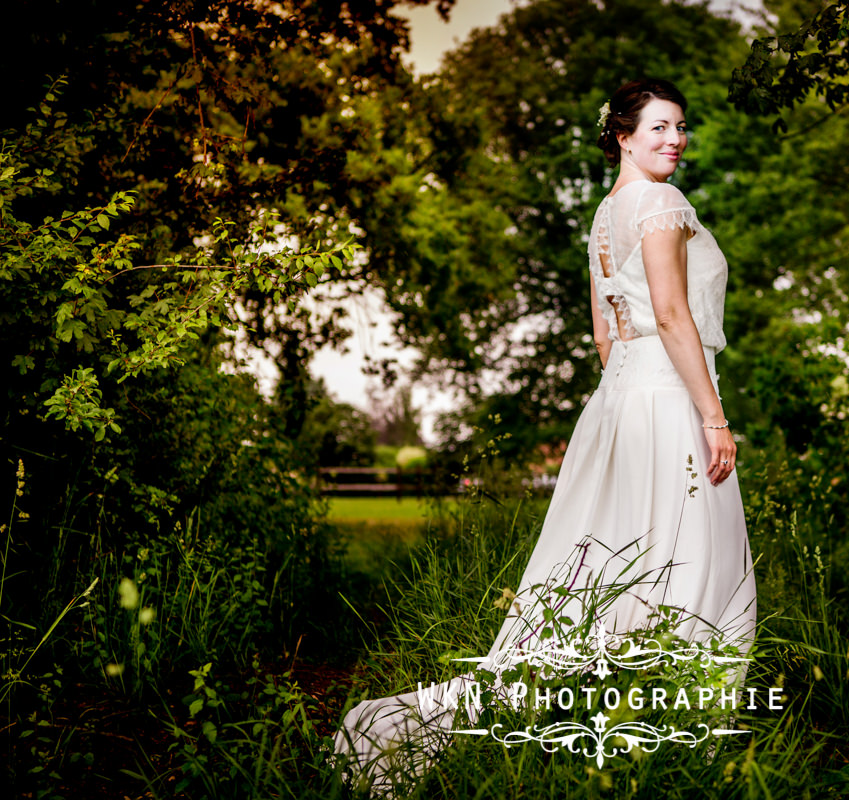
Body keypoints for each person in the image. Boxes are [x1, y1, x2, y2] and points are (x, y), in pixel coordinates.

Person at [333, 78, 757, 790]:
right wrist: (712, 416)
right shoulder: (662, 204)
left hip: (620, 400)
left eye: (681, 128)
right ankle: (679, 732)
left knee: (606, 557)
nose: (675, 140)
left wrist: (627, 392)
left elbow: (604, 332)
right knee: (689, 556)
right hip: (669, 398)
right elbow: (674, 316)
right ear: (621, 135)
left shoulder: (604, 216)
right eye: (658, 128)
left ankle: (605, 711)